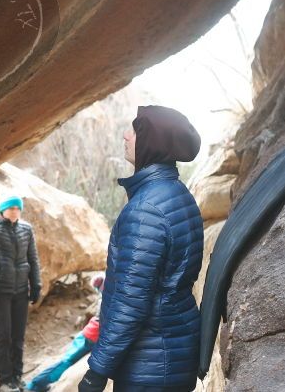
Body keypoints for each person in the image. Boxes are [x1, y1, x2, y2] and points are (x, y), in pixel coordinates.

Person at [79, 105, 204, 392]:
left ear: (152, 141)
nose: (125, 135)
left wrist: (97, 371)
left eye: (135, 130)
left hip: (150, 364)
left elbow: (130, 303)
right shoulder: (177, 194)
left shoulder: (145, 210)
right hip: (173, 353)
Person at [0, 196, 42, 392]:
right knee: (3, 336)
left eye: (17, 208)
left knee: (18, 336)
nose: (14, 211)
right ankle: (4, 381)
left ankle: (17, 377)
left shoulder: (26, 229)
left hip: (21, 291)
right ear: (2, 210)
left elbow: (33, 258)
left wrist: (36, 284)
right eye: (10, 208)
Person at [26, 275, 105, 391]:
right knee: (66, 362)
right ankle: (35, 386)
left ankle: (37, 385)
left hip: (92, 334)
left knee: (67, 362)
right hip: (92, 335)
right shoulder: (116, 294)